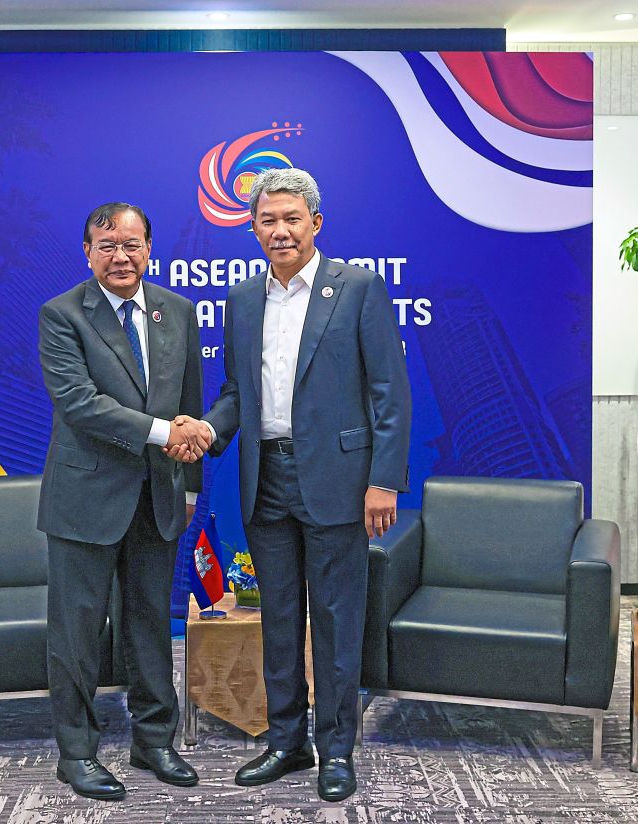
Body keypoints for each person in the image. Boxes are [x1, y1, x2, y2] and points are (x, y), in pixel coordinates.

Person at [171, 168, 411, 802]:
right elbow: (235, 395)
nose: (280, 231)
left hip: (339, 479)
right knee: (277, 619)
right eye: (267, 221)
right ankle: (286, 742)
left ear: (315, 225)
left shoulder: (357, 289)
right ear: (252, 229)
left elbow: (389, 392)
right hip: (265, 477)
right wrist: (204, 429)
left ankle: (336, 750)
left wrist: (384, 480)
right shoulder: (243, 300)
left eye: (291, 219)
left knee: (335, 620)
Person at [37, 202, 211, 801]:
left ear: (149, 249)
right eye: (107, 246)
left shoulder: (177, 312)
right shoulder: (62, 315)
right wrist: (165, 434)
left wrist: (188, 487)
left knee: (149, 625)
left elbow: (190, 399)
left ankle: (154, 741)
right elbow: (80, 405)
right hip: (85, 499)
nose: (121, 256)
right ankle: (77, 752)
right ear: (88, 252)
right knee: (78, 632)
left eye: (132, 245)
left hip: (158, 497)